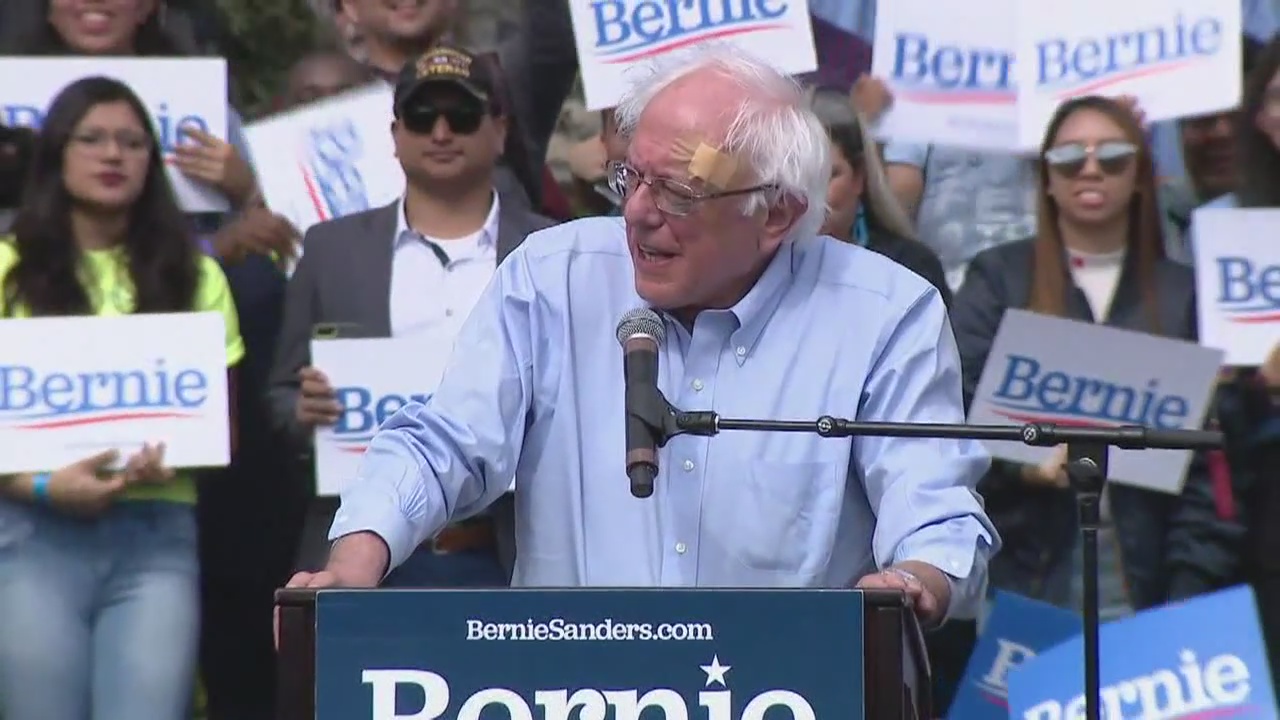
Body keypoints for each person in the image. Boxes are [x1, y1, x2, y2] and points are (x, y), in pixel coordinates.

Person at [286, 44, 999, 626]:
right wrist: (356, 556)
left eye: (680, 192)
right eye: (632, 177)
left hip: (775, 688)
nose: (638, 213)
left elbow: (931, 500)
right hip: (571, 688)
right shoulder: (554, 274)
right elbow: (446, 442)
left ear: (777, 214)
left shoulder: (884, 313)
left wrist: (914, 579)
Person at [0, 76, 243, 720]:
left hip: (155, 533)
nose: (113, 155)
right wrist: (46, 488)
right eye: (94, 139)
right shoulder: (5, 268)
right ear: (56, 154)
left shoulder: (199, 275)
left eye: (132, 142)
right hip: (29, 535)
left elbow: (222, 425)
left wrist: (171, 456)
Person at [269, 44, 555, 587]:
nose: (441, 133)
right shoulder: (330, 250)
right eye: (422, 117)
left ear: (499, 131)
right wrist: (303, 409)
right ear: (395, 135)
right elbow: (279, 397)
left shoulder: (550, 248)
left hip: (509, 551)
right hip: (366, 556)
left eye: (462, 116)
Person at [950, 96, 1243, 618]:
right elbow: (953, 411)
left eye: (1112, 156)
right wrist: (1027, 465)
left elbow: (1209, 469)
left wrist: (1185, 595)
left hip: (1150, 585)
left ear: (1139, 175)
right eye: (1068, 157)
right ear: (1044, 176)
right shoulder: (998, 277)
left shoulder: (1185, 296)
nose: (1089, 168)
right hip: (1024, 578)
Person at [808, 87, 950, 305]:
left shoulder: (912, 271)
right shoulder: (753, 272)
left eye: (827, 176)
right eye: (794, 177)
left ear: (859, 177)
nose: (809, 194)